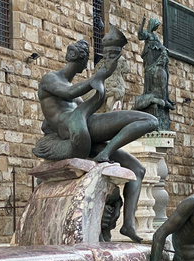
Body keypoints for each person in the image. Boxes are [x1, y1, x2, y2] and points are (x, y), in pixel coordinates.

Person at [34, 25, 159, 243]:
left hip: (86, 130)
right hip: (75, 127)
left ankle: (128, 225)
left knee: (138, 169)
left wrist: (101, 79)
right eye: (82, 61)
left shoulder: (77, 100)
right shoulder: (50, 79)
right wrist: (99, 76)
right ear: (75, 59)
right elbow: (69, 92)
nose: (83, 66)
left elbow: (86, 100)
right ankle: (107, 152)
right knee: (149, 120)